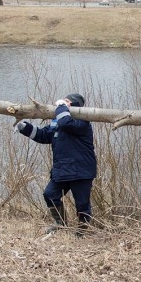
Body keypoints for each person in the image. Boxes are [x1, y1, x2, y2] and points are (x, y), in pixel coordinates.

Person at [15, 93, 97, 234]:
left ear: (74, 105)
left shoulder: (82, 121)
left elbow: (65, 123)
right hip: (62, 170)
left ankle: (82, 231)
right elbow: (43, 135)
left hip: (81, 171)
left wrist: (60, 107)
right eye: (63, 102)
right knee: (50, 194)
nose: (62, 104)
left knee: (82, 204)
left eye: (67, 102)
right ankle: (61, 223)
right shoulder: (58, 121)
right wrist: (24, 127)